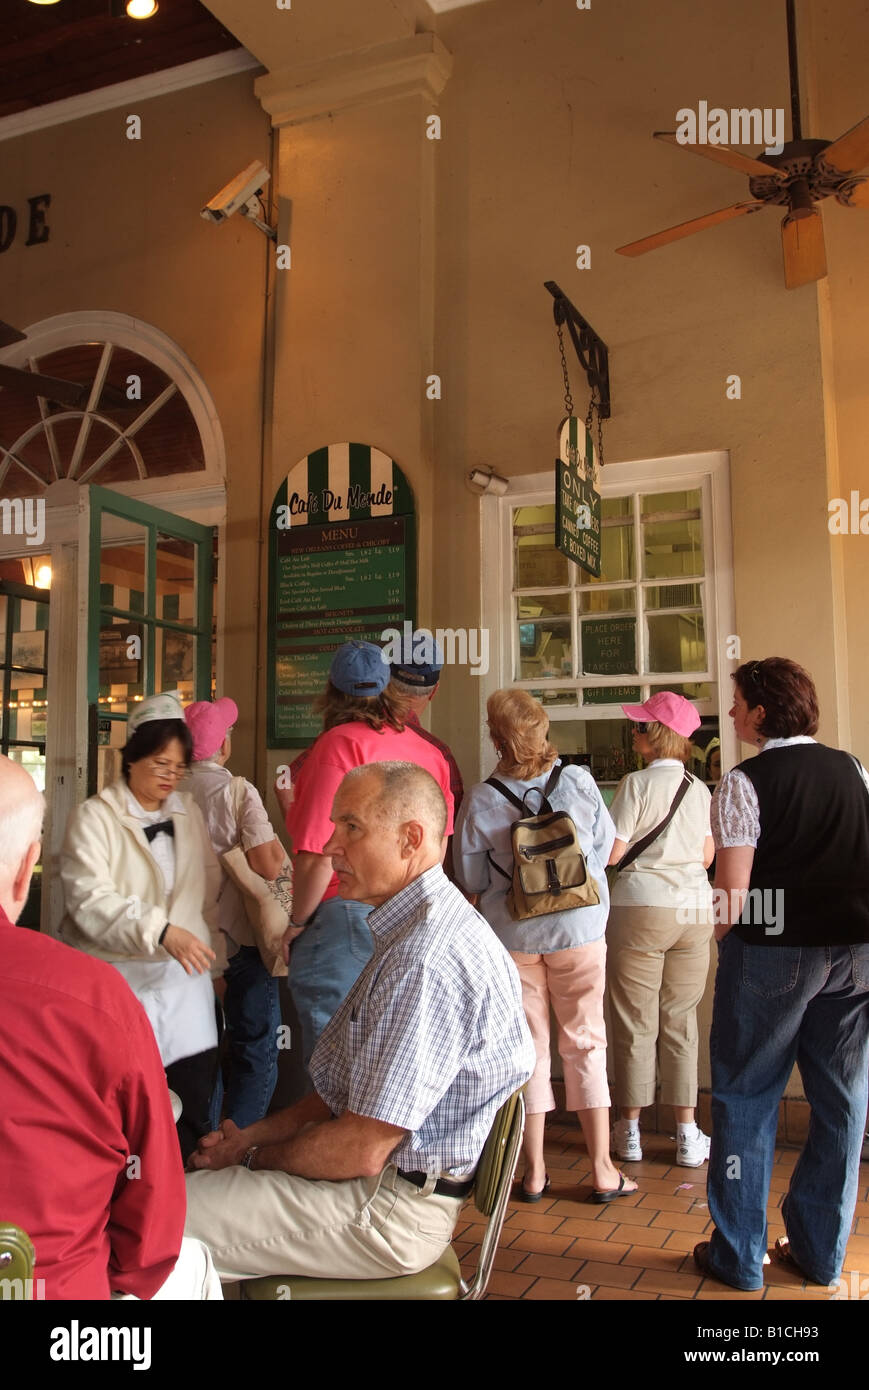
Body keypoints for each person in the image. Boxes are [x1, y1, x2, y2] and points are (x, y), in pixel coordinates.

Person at [184, 762, 533, 1282]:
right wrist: (246, 1139)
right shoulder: (412, 927)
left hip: (389, 1212)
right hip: (381, 1185)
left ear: (410, 839)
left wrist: (256, 1157)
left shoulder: (425, 959)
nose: (330, 847)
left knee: (150, 1223)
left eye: (351, 828)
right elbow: (341, 1095)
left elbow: (362, 1148)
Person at [0, 754, 220, 1300]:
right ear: (28, 868)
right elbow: (152, 1226)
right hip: (56, 1300)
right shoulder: (90, 1000)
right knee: (188, 1268)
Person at [694, 657, 869, 1293]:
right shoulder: (853, 768)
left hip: (774, 954)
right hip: (856, 952)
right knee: (843, 1102)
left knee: (745, 1095)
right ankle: (821, 1255)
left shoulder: (744, 781)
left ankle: (739, 1258)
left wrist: (714, 939)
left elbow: (732, 889)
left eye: (738, 703)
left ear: (762, 712)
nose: (732, 713)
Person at [454, 688, 633, 1204]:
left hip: (514, 937)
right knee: (585, 1039)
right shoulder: (576, 781)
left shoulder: (483, 797)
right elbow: (600, 851)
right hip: (580, 931)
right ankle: (602, 1170)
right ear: (543, 730)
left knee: (527, 1050)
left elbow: (469, 877)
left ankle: (531, 1173)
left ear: (495, 738)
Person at [60, 691, 224, 1161]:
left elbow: (205, 894)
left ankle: (188, 1213)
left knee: (190, 1110)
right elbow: (89, 899)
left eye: (178, 767)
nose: (170, 777)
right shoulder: (95, 817)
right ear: (131, 758)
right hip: (119, 984)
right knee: (123, 1117)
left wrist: (216, 966)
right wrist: (159, 930)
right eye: (159, 764)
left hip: (185, 989)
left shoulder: (187, 814)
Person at [283, 641, 455, 1065]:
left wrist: (295, 923)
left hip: (346, 918)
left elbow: (320, 853)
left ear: (330, 690)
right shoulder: (430, 753)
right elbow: (439, 846)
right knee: (393, 1060)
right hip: (415, 919)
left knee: (334, 1068)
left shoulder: (337, 746)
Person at [605, 692, 715, 1168]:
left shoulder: (634, 785)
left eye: (639, 727)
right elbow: (709, 856)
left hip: (642, 909)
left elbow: (612, 853)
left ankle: (629, 1129)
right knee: (680, 1019)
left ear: (656, 735)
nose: (634, 734)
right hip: (693, 912)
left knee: (635, 1019)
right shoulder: (700, 788)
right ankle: (687, 1132)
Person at [185, 697, 287, 1129]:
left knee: (196, 1050)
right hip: (238, 938)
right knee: (254, 1044)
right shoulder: (238, 791)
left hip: (182, 941)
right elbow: (267, 865)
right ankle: (236, 1146)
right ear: (222, 746)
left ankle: (199, 1141)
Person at [387, 633, 464, 875]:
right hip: (414, 891)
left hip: (344, 894)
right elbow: (452, 834)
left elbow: (285, 784)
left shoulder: (345, 736)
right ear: (434, 691)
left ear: (387, 680)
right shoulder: (438, 754)